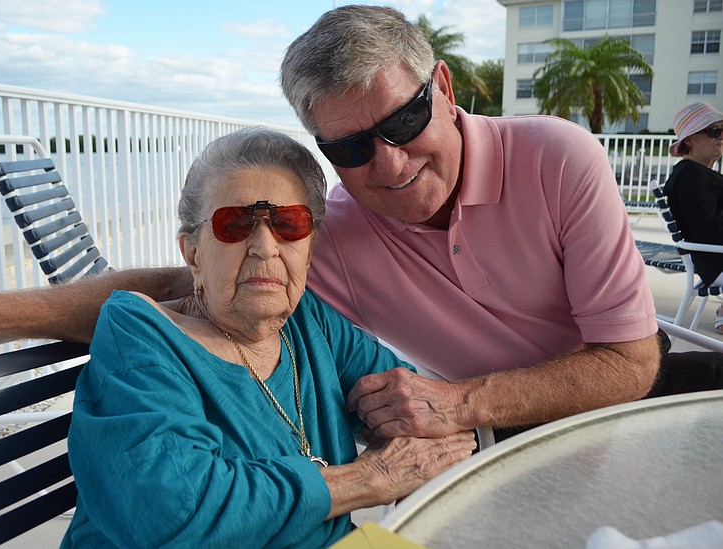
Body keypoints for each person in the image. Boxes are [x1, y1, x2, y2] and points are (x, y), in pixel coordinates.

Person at [0, 6, 661, 440]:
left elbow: (632, 362)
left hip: (609, 426)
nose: (389, 163)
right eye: (350, 148)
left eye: (403, 119)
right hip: (492, 452)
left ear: (445, 89)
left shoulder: (558, 159)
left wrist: (460, 402)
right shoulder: (334, 232)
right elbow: (183, 284)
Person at [60, 128, 475, 548]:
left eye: (289, 224)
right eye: (234, 224)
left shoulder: (307, 321)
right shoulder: (140, 333)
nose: (264, 246)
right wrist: (369, 478)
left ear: (309, 250)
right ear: (193, 254)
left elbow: (414, 406)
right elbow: (174, 511)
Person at [660, 102, 723, 333]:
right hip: (716, 261)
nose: (721, 136)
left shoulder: (697, 173)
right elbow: (709, 230)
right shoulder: (690, 177)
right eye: (714, 131)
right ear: (690, 140)